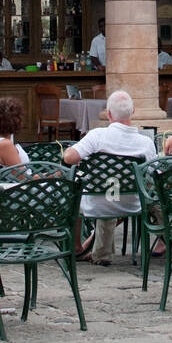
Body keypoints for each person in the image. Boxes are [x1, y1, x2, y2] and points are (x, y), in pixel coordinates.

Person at [61, 90, 156, 266]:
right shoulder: (146, 143)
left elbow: (69, 158)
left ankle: (77, 248)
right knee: (118, 192)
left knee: (75, 194)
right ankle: (100, 251)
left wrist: (68, 150)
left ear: (109, 114)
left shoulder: (97, 136)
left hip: (98, 202)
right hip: (133, 203)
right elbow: (152, 175)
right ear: (133, 111)